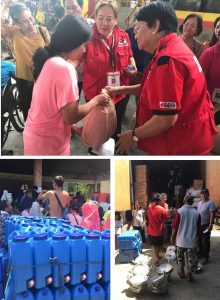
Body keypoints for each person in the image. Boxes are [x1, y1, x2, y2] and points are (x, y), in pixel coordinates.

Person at [106, 1, 217, 155]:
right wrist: (119, 89)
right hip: (189, 138)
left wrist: (133, 135)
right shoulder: (173, 48)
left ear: (155, 26)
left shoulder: (168, 60)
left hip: (180, 145)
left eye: (138, 27)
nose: (135, 33)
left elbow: (166, 119)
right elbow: (151, 86)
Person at [23, 14, 110, 155]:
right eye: (82, 45)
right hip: (49, 143)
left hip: (35, 137)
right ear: (71, 42)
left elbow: (49, 107)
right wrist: (96, 100)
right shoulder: (64, 68)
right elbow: (71, 116)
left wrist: (71, 127)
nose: (84, 50)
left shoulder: (47, 59)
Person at [83, 0, 137, 144]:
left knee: (115, 126)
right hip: (97, 96)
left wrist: (133, 67)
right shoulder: (87, 38)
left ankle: (114, 149)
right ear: (95, 17)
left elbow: (130, 55)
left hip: (119, 93)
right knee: (96, 131)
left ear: (115, 19)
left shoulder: (123, 36)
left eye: (109, 19)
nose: (104, 23)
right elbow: (74, 59)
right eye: (100, 18)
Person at [1, 3, 50, 120]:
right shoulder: (13, 32)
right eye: (25, 21)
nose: (30, 23)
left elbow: (51, 51)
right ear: (17, 23)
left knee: (44, 106)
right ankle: (30, 132)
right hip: (24, 78)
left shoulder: (42, 31)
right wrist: (5, 5)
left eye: (31, 18)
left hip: (43, 76)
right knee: (27, 107)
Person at [171, 196, 200, 281]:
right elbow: (198, 229)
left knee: (180, 257)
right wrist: (197, 239)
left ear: (184, 201)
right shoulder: (197, 213)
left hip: (180, 240)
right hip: (192, 241)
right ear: (192, 202)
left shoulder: (179, 211)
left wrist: (172, 236)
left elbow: (175, 226)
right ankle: (189, 275)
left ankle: (181, 271)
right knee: (191, 258)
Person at [199, 17, 220, 124]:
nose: (219, 30)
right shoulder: (209, 53)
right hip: (210, 104)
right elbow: (199, 82)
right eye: (217, 27)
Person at [147, 193, 167, 265]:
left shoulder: (149, 207)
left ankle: (156, 257)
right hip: (159, 231)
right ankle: (156, 258)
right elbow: (165, 220)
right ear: (159, 201)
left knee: (153, 245)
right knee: (158, 245)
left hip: (151, 230)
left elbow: (147, 216)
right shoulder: (163, 209)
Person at [197, 188, 216, 264]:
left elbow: (212, 214)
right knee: (199, 241)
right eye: (201, 194)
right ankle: (200, 254)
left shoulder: (211, 202)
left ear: (208, 194)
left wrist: (211, 224)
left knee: (205, 241)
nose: (203, 195)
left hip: (206, 225)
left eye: (204, 194)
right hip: (199, 225)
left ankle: (205, 257)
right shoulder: (199, 202)